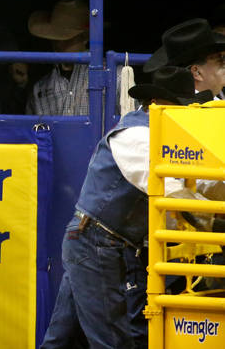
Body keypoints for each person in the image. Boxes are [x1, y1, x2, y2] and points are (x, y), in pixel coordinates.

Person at [41, 61, 214, 349]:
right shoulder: (135, 136)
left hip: (98, 241)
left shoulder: (162, 137)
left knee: (64, 339)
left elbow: (199, 183)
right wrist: (212, 218)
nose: (185, 114)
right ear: (157, 103)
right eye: (180, 106)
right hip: (98, 242)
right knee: (112, 340)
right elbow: (169, 190)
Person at [27, 0, 94, 116]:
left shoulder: (113, 77)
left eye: (66, 39)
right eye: (55, 39)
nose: (58, 44)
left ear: (85, 38)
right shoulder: (39, 89)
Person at [144, 18, 225, 101]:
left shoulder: (216, 102)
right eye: (221, 59)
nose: (224, 63)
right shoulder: (174, 108)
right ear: (197, 72)